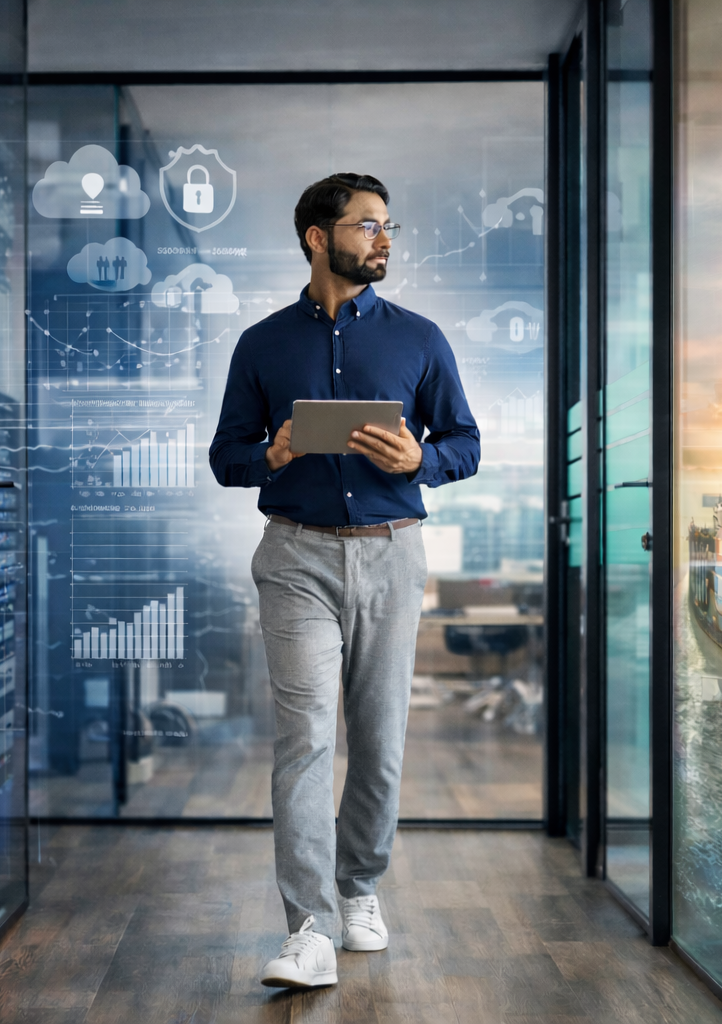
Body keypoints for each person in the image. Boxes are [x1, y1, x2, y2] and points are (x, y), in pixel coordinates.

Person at [208, 173, 480, 989]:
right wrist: (276, 454)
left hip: (394, 553)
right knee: (305, 742)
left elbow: (464, 442)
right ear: (317, 237)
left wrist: (421, 460)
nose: (384, 239)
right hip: (295, 559)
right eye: (367, 226)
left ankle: (360, 888)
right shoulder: (261, 344)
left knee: (379, 738)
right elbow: (228, 458)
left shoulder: (420, 339)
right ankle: (310, 927)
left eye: (388, 225)